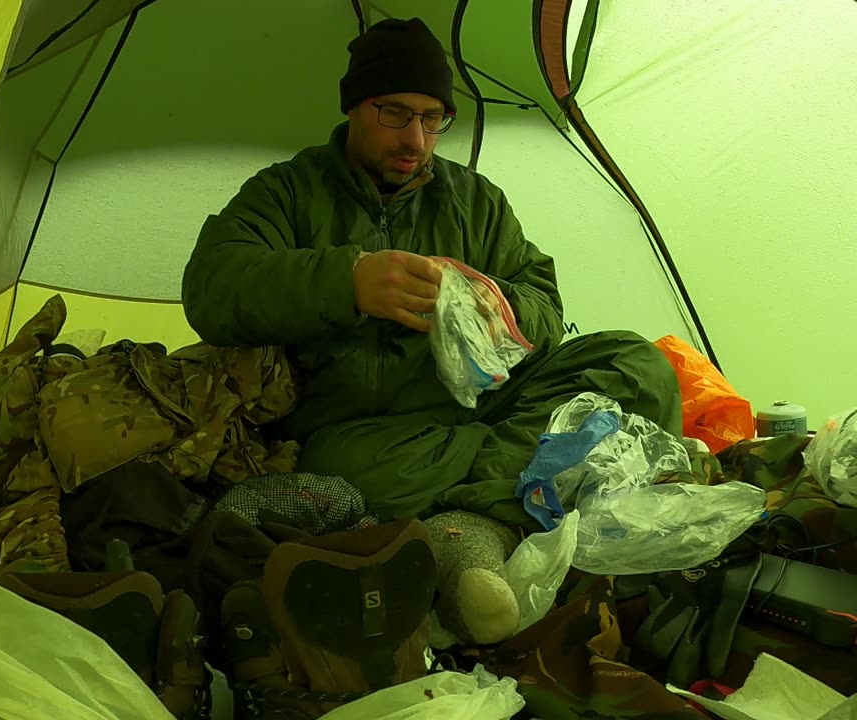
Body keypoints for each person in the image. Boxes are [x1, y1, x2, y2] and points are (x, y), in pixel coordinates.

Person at [180, 17, 681, 529]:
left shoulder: (475, 200)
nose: (415, 140)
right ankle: (535, 484)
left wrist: (496, 305)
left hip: (491, 402)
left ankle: (489, 495)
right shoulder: (286, 191)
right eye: (394, 113)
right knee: (347, 474)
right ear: (354, 106)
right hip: (371, 435)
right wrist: (346, 282)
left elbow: (545, 311)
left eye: (433, 118)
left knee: (639, 365)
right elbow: (212, 289)